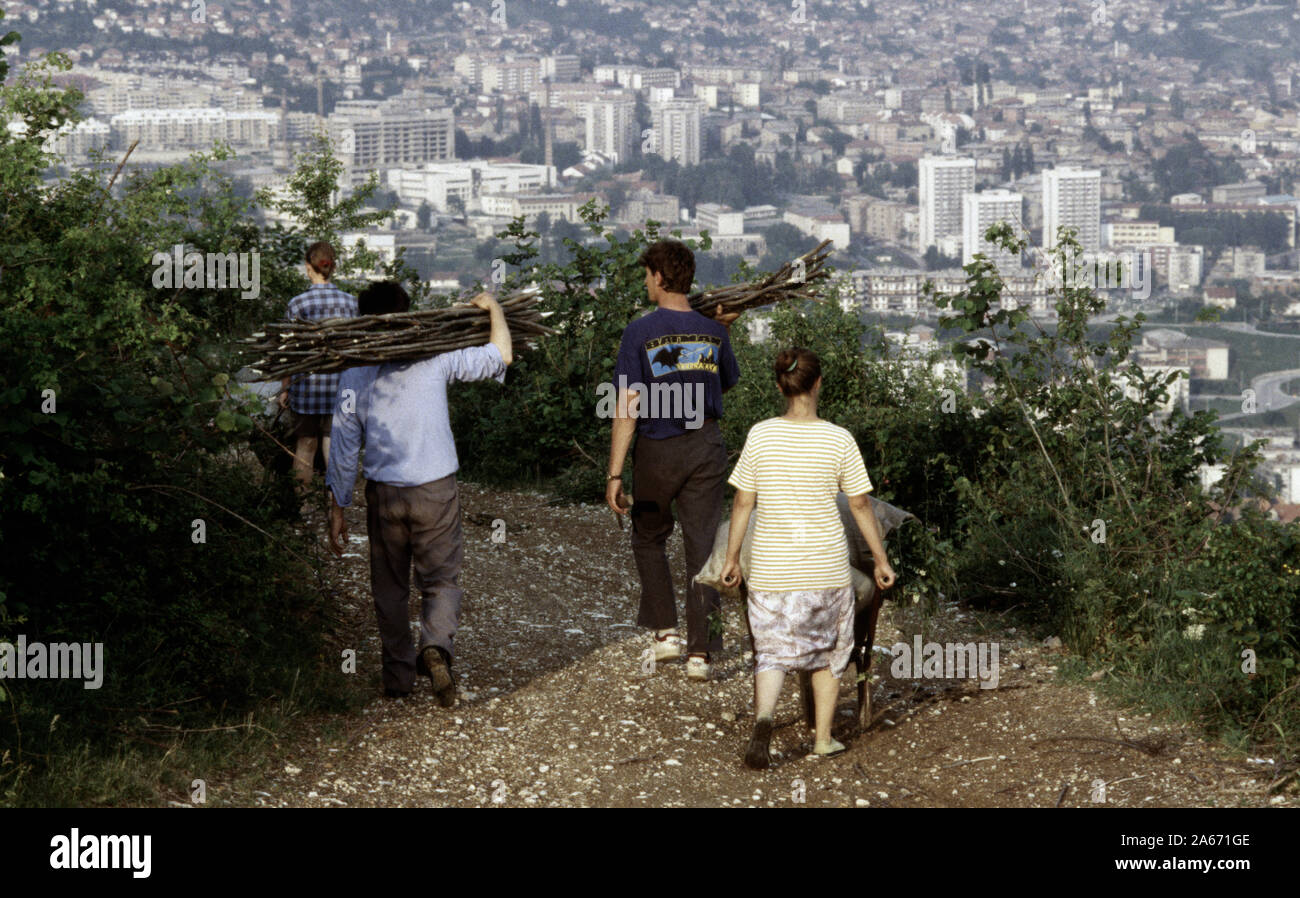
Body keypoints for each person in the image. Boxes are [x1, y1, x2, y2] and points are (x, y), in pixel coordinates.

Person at [326, 281, 512, 704]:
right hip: (436, 488)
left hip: (385, 494)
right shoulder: (435, 355)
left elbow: (342, 444)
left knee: (390, 587)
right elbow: (501, 356)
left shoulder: (356, 371)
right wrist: (494, 309)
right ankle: (436, 646)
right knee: (441, 579)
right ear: (410, 315)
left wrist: (338, 504)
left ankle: (398, 677)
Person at [720, 347, 897, 768]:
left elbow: (744, 501)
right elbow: (859, 506)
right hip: (824, 570)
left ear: (781, 385)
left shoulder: (760, 434)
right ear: (817, 384)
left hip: (770, 570)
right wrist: (880, 559)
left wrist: (730, 559)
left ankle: (763, 721)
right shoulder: (838, 438)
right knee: (831, 649)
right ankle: (822, 739)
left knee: (771, 650)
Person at [606, 239, 740, 682]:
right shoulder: (714, 332)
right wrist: (721, 331)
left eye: (647, 275)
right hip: (705, 446)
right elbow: (726, 382)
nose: (645, 282)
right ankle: (700, 656)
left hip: (657, 449)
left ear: (660, 278)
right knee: (703, 549)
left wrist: (614, 473)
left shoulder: (639, 332)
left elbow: (627, 404)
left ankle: (666, 635)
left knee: (648, 537)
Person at [279, 241, 357, 489]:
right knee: (333, 444)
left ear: (308, 267)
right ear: (333, 267)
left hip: (307, 388)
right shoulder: (351, 303)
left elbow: (288, 349)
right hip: (343, 387)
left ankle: (302, 505)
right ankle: (335, 503)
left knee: (305, 444)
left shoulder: (298, 304)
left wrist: (285, 387)